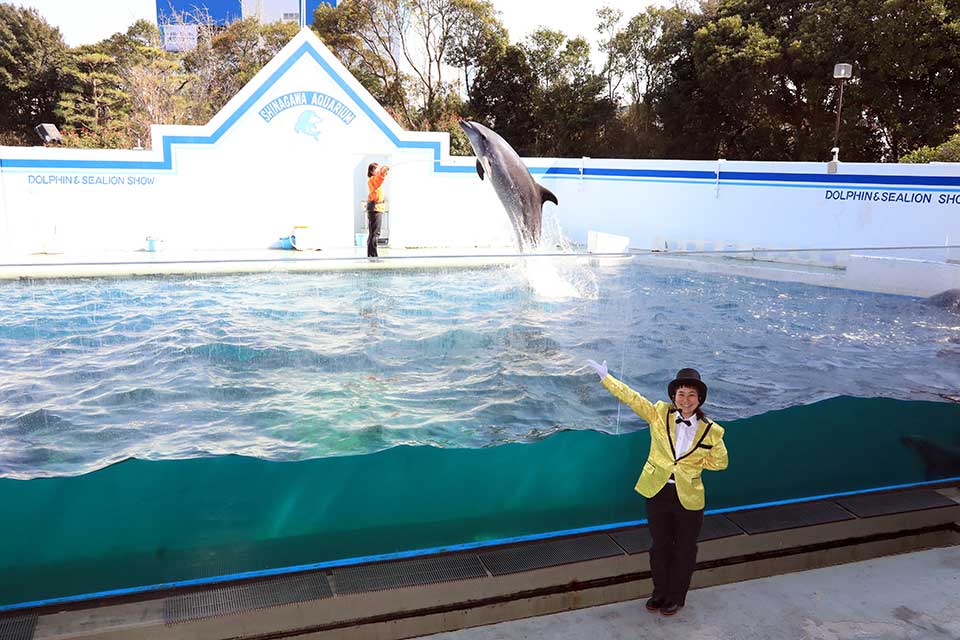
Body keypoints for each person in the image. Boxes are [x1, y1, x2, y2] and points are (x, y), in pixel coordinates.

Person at [585, 359, 728, 617]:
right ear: (673, 396)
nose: (685, 399)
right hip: (658, 492)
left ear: (700, 399)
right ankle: (659, 592)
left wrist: (692, 466)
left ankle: (676, 597)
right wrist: (606, 378)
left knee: (685, 549)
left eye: (691, 395)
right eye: (681, 394)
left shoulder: (712, 431)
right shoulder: (659, 413)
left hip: (689, 498)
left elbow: (721, 462)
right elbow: (632, 398)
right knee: (659, 546)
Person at [366, 162, 390, 258]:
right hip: (375, 209)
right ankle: (373, 255)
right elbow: (379, 179)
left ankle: (372, 254)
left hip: (376, 208)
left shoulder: (374, 180)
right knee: (375, 233)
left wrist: (384, 172)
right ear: (372, 171)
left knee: (373, 233)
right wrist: (383, 173)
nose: (378, 170)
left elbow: (380, 178)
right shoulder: (372, 180)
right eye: (376, 169)